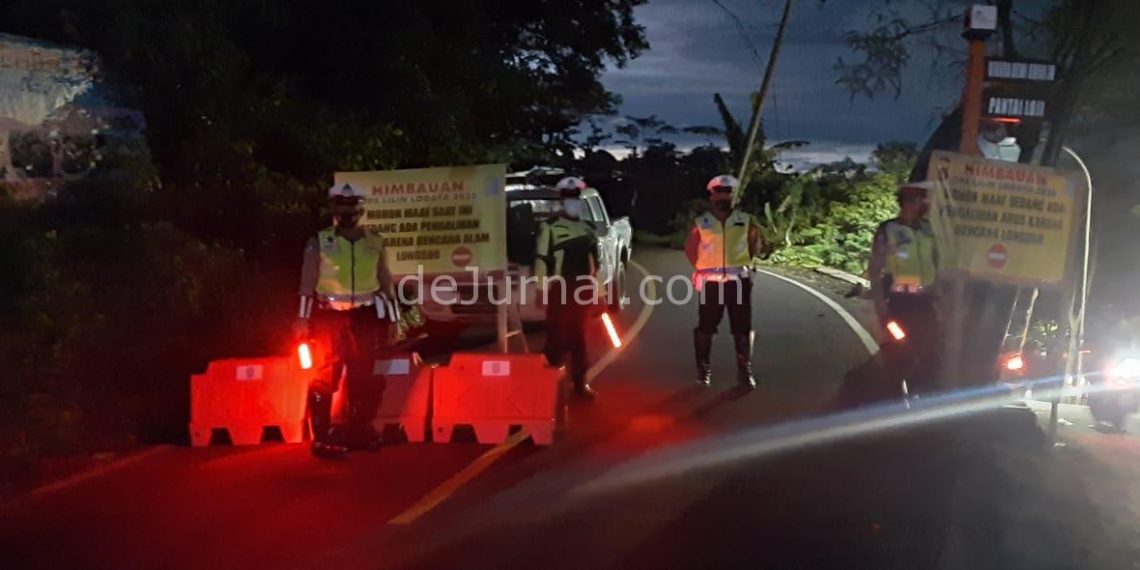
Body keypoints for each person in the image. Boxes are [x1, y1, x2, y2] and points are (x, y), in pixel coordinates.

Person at [295, 182, 396, 458]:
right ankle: (322, 436)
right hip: (330, 318)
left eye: (352, 205)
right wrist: (302, 320)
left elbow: (385, 283)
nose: (347, 211)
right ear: (334, 208)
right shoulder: (320, 242)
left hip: (364, 317)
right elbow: (307, 285)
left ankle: (359, 430)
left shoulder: (375, 241)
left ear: (361, 208)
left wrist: (394, 319)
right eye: (341, 205)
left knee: (364, 375)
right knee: (325, 376)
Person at [685, 174, 762, 389]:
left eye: (727, 193)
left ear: (733, 197)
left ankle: (744, 371)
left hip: (738, 282)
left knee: (742, 328)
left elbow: (754, 244)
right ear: (712, 197)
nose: (723, 197)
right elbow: (691, 249)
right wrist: (702, 269)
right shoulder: (701, 223)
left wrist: (747, 265)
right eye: (719, 193)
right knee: (705, 328)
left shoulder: (746, 220)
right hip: (711, 284)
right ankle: (703, 371)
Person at [867, 182, 940, 394]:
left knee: (930, 356)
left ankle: (921, 403)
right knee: (898, 355)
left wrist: (940, 299)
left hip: (926, 304)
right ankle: (890, 403)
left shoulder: (927, 230)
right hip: (899, 304)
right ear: (908, 201)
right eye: (920, 199)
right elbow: (875, 270)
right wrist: (882, 312)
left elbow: (937, 264)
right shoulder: (888, 230)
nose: (924, 204)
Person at [535, 177, 601, 400]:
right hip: (558, 290)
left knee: (579, 339)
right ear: (562, 201)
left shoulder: (588, 229)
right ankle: (546, 386)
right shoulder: (549, 228)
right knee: (555, 339)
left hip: (582, 291)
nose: (573, 202)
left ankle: (580, 385)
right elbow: (541, 260)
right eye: (569, 199)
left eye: (576, 199)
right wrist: (540, 289)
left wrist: (598, 292)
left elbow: (595, 265)